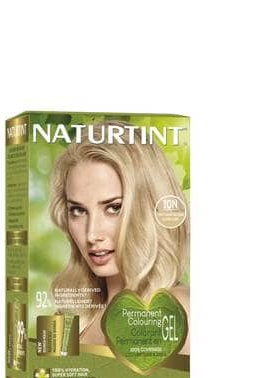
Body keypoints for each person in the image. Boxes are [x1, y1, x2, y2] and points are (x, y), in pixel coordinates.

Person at [49, 121, 190, 354]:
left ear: (149, 206)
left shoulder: (178, 311)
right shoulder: (80, 314)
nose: (92, 234)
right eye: (78, 210)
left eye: (113, 207)